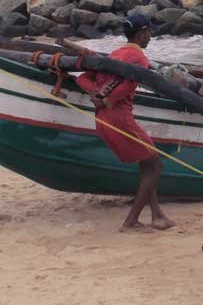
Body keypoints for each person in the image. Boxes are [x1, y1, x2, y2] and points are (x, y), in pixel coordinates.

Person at [75, 14, 175, 232]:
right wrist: (109, 99)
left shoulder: (113, 54)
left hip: (101, 119)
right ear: (141, 34)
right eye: (149, 32)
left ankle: (157, 215)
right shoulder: (140, 59)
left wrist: (96, 94)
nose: (150, 36)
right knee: (155, 165)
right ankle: (131, 222)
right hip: (119, 118)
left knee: (147, 164)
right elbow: (127, 85)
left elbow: (82, 78)